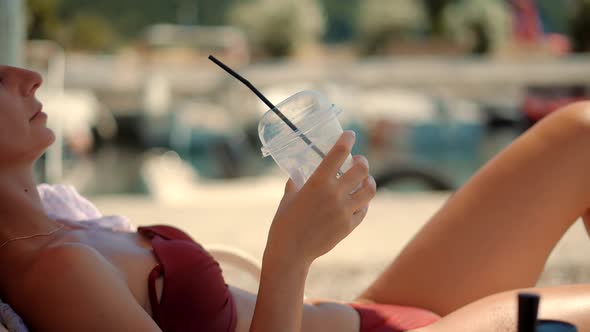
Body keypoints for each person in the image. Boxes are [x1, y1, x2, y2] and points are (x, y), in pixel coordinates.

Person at [1, 64, 590, 332]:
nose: (28, 74)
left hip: (369, 313)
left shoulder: (61, 216)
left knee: (580, 134)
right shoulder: (55, 270)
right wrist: (290, 257)